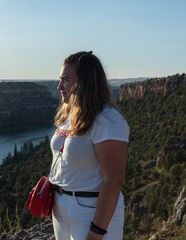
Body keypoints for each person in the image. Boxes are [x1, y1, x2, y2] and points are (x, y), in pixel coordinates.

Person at [49, 51, 129, 240]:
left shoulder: (107, 120)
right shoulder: (69, 116)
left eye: (66, 80)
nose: (60, 86)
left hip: (90, 210)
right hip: (61, 207)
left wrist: (97, 232)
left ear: (85, 81)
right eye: (60, 79)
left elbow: (114, 179)